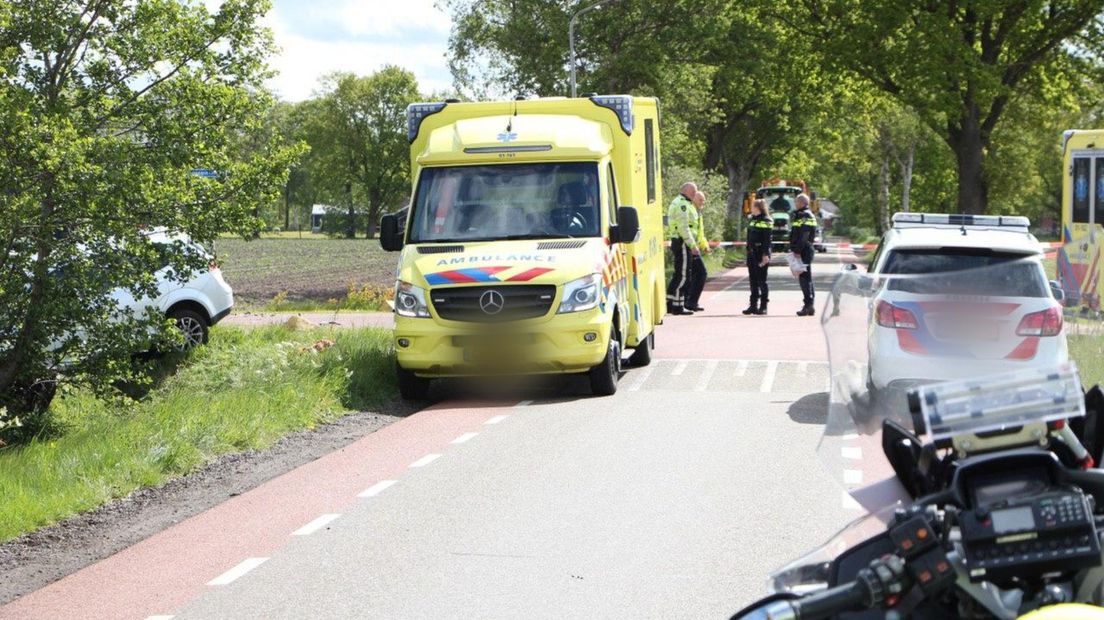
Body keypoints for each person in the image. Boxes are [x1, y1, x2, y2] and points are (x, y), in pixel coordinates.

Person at [665, 181, 699, 315]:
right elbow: (684, 227)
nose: (695, 194)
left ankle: (672, 304)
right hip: (683, 242)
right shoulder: (683, 204)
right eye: (693, 192)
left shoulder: (681, 202)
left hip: (680, 241)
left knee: (679, 274)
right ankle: (677, 306)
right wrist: (693, 245)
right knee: (683, 276)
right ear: (686, 191)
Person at [790, 193, 818, 316]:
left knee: (805, 278)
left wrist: (797, 251)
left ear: (801, 203)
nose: (795, 204)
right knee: (806, 277)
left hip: (804, 250)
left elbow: (804, 235)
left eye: (796, 202)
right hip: (804, 249)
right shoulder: (803, 215)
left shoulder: (805, 215)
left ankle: (808, 305)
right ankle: (809, 306)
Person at [743, 199, 772, 315]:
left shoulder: (766, 220)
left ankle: (763, 306)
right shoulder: (752, 220)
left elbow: (767, 240)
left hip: (761, 252)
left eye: (753, 206)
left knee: (761, 280)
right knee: (753, 280)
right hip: (751, 252)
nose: (751, 208)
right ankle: (753, 305)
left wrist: (765, 254)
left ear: (758, 208)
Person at [685, 190, 710, 312]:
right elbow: (686, 229)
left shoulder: (698, 213)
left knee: (693, 275)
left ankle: (689, 302)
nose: (703, 202)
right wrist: (692, 245)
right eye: (700, 199)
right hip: (690, 247)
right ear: (694, 198)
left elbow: (700, 233)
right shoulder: (690, 210)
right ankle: (690, 302)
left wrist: (704, 245)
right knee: (701, 273)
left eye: (704, 200)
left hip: (694, 247)